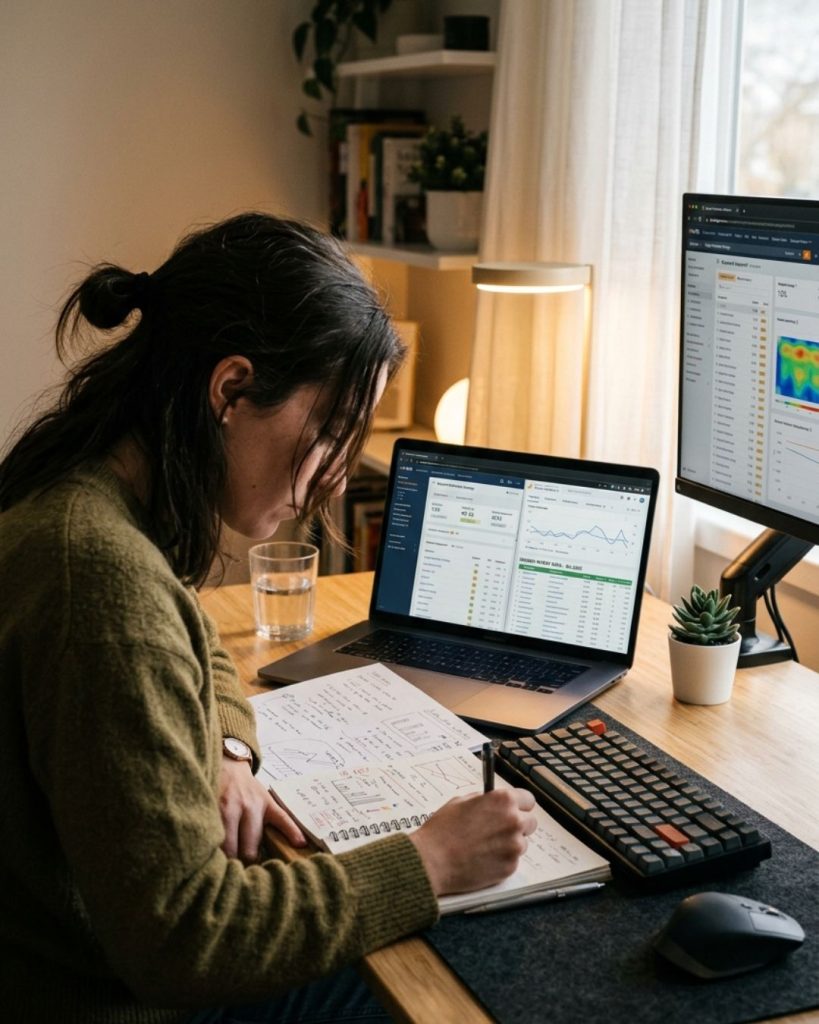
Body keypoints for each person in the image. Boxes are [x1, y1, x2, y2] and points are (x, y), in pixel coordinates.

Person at [0, 212, 538, 1024]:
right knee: (455, 994)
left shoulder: (86, 494)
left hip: (66, 959)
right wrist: (428, 861)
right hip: (99, 994)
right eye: (327, 436)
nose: (328, 482)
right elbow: (190, 939)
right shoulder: (100, 581)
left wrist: (222, 748)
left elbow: (196, 641)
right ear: (232, 389)